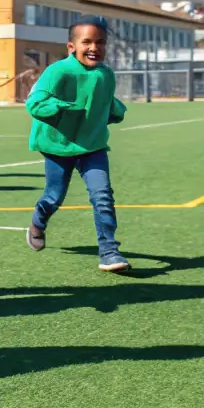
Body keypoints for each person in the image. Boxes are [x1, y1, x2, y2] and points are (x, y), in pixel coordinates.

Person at [24, 17, 130, 272]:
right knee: (54, 196)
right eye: (87, 42)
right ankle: (38, 222)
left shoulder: (106, 74)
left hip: (92, 146)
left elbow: (104, 102)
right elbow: (35, 103)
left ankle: (109, 251)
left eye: (100, 42)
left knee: (102, 196)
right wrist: (65, 109)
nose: (95, 47)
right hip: (58, 146)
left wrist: (115, 111)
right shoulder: (58, 71)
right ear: (71, 46)